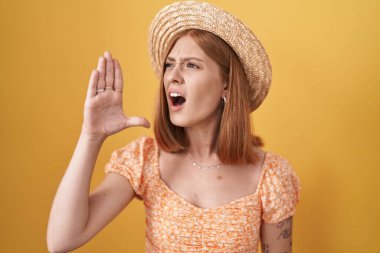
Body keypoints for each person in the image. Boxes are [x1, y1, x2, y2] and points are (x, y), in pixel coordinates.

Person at [47, 1, 301, 252]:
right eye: (170, 64)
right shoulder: (143, 160)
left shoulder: (272, 177)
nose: (173, 76)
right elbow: (62, 240)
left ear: (227, 85)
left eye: (191, 65)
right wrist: (91, 136)